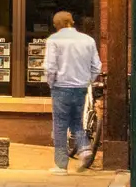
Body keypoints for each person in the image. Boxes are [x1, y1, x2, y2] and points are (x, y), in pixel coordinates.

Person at [40, 11, 102, 172]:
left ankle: (61, 165)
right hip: (81, 88)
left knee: (60, 125)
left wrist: (51, 83)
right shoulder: (88, 40)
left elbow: (50, 66)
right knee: (76, 121)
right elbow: (97, 66)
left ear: (56, 25)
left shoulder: (54, 40)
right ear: (72, 22)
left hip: (61, 87)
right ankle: (85, 148)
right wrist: (87, 81)